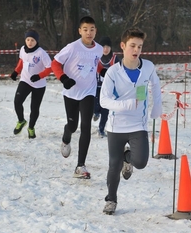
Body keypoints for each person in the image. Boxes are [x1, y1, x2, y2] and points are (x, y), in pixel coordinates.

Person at [99, 28, 162, 215]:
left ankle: (129, 158)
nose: (136, 50)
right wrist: (125, 105)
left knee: (141, 162)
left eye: (140, 47)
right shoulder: (113, 72)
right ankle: (111, 200)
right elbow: (104, 100)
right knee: (114, 165)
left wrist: (157, 106)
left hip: (138, 125)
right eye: (132, 46)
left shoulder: (148, 67)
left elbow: (156, 85)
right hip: (116, 126)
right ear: (123, 46)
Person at [51, 16, 103, 179]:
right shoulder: (72, 47)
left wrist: (103, 71)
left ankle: (80, 166)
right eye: (85, 29)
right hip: (71, 92)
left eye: (92, 29)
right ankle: (66, 138)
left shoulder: (99, 49)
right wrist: (63, 78)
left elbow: (96, 63)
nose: (89, 32)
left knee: (86, 126)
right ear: (80, 31)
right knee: (73, 126)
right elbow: (55, 63)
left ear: (96, 31)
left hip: (88, 92)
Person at [10, 29, 52, 139]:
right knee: (17, 101)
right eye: (28, 39)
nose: (30, 42)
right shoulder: (23, 50)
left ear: (36, 41)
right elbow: (21, 61)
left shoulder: (41, 53)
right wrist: (16, 72)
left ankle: (31, 128)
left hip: (39, 84)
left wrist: (39, 76)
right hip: (25, 80)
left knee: (34, 107)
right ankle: (21, 120)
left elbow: (49, 68)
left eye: (32, 40)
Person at [93, 36, 120, 138]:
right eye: (103, 47)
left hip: (108, 88)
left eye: (108, 47)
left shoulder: (114, 59)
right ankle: (95, 112)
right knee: (94, 104)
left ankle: (101, 129)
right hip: (95, 87)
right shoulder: (95, 57)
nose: (105, 49)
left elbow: (120, 71)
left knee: (106, 110)